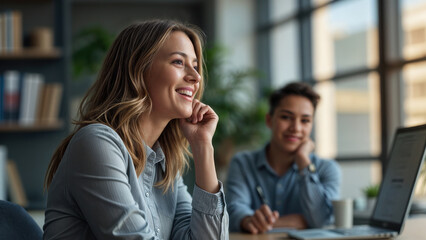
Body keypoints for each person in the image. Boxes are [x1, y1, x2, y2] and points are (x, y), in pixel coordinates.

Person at [43, 19, 229, 239]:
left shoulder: (164, 165)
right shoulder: (96, 144)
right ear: (138, 69)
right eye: (178, 62)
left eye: (196, 66)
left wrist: (202, 146)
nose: (196, 77)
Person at [226, 82, 341, 234]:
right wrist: (248, 220)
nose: (296, 128)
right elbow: (233, 212)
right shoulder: (242, 163)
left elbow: (321, 220)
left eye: (305, 120)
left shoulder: (327, 169)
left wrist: (303, 162)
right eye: (286, 117)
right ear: (269, 120)